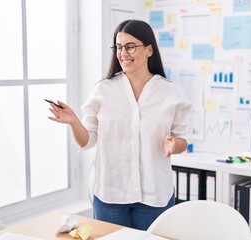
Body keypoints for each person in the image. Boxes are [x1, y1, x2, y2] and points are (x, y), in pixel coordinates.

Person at [47, 19, 191, 230]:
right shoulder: (103, 90)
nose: (123, 53)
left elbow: (182, 140)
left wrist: (173, 144)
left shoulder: (170, 93)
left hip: (155, 196)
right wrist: (73, 122)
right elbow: (87, 141)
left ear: (149, 50)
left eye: (130, 46)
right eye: (119, 47)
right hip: (110, 194)